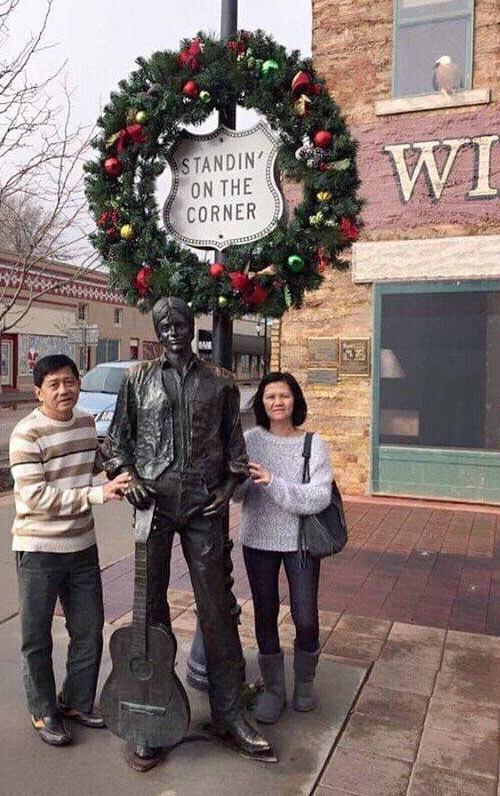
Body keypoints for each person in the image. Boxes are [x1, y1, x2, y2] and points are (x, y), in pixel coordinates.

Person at [105, 296, 273, 770]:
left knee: (217, 608)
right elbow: (116, 443)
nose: (174, 330)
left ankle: (229, 712)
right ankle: (149, 714)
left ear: (191, 324)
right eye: (165, 324)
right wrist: (129, 475)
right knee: (150, 609)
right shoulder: (136, 380)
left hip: (204, 507)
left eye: (180, 322)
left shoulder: (220, 382)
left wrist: (229, 485)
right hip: (153, 505)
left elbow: (234, 449)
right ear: (157, 331)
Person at [9, 354, 131, 747]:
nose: (64, 390)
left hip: (81, 547)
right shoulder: (26, 433)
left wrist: (121, 474)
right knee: (37, 637)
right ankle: (44, 710)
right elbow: (35, 497)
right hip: (39, 549)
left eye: (70, 381)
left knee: (88, 628)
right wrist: (97, 494)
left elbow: (96, 464)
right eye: (54, 384)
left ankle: (77, 701)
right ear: (38, 392)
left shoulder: (84, 423)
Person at [236, 371, 332, 724]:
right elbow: (236, 496)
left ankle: (304, 682)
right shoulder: (249, 440)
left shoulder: (313, 444)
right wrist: (238, 481)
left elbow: (319, 497)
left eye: (284, 396)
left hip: (300, 542)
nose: (277, 402)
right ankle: (274, 688)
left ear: (296, 401)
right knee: (265, 612)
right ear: (261, 403)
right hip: (258, 539)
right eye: (270, 397)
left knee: (305, 616)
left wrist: (273, 482)